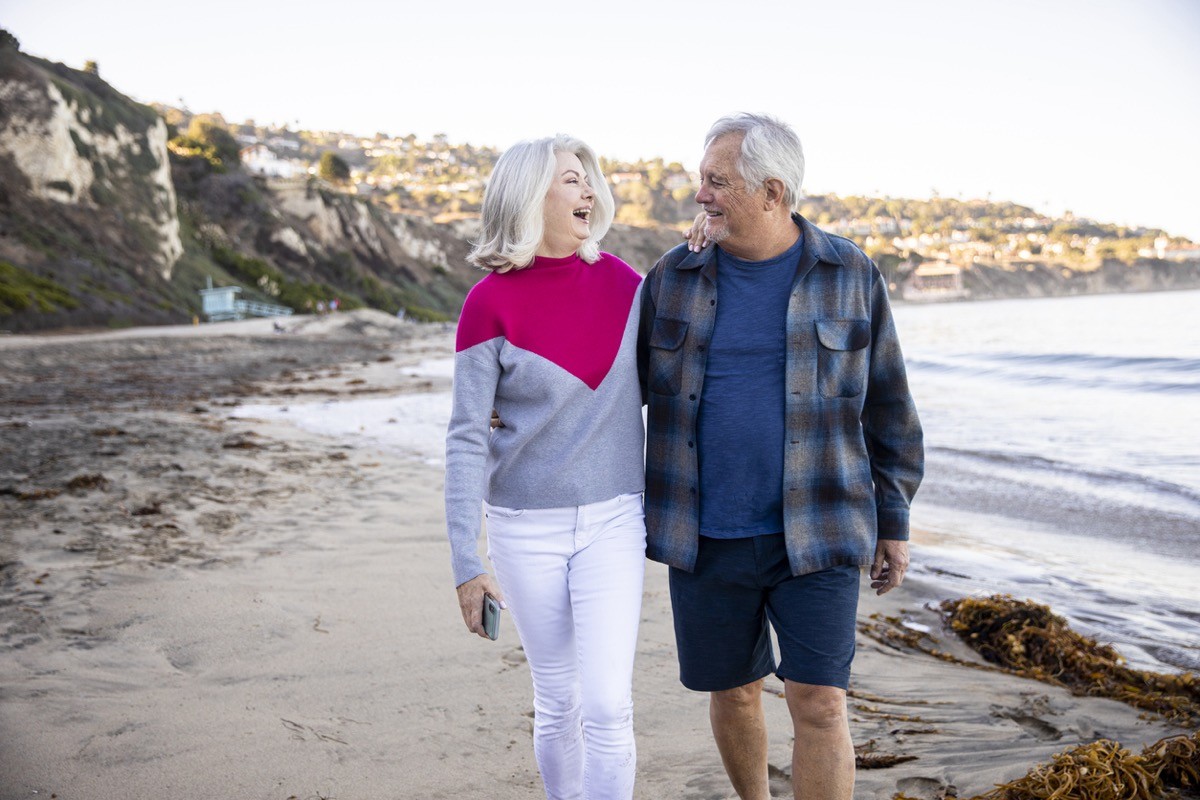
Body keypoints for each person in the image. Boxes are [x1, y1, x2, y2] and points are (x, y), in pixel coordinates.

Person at [637, 113, 924, 800]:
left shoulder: (850, 272)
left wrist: (896, 522)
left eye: (716, 182)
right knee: (733, 695)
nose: (700, 195)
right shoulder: (672, 278)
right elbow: (616, 393)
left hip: (821, 529)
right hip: (704, 534)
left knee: (820, 702)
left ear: (771, 191)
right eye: (700, 180)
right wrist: (516, 405)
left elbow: (890, 408)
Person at [444, 134, 648, 800]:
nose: (588, 190)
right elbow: (467, 438)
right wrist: (466, 563)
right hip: (523, 529)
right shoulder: (487, 305)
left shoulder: (630, 287)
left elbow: (691, 359)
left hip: (615, 521)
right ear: (532, 194)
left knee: (609, 707)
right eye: (570, 179)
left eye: (588, 179)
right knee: (558, 701)